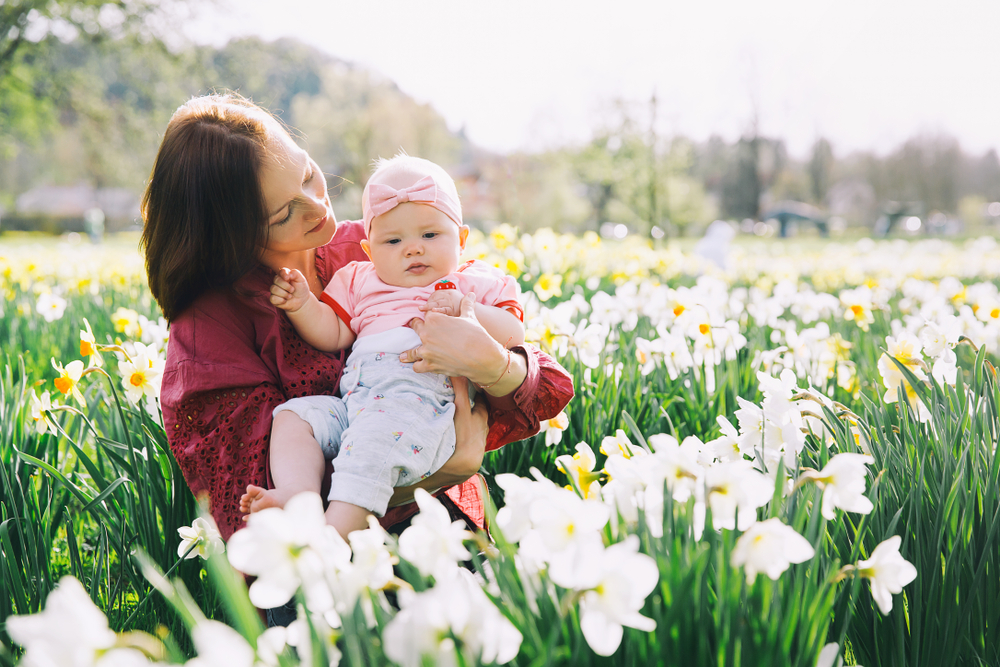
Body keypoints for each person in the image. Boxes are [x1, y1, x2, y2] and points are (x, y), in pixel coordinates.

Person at [140, 93, 574, 548]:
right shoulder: (209, 331)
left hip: (444, 529)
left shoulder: (379, 246)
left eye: (308, 175)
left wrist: (493, 366)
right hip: (319, 563)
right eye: (285, 212)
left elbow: (541, 383)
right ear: (228, 234)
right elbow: (250, 513)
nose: (317, 207)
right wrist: (443, 471)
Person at [239, 155, 526, 537]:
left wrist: (467, 310)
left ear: (460, 240)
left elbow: (514, 333)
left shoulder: (473, 280)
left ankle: (332, 540)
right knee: (296, 415)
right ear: (370, 251)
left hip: (422, 408)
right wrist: (304, 304)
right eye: (393, 240)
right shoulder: (359, 279)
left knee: (370, 447)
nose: (413, 249)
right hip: (356, 405)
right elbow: (334, 333)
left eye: (430, 235)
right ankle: (297, 494)